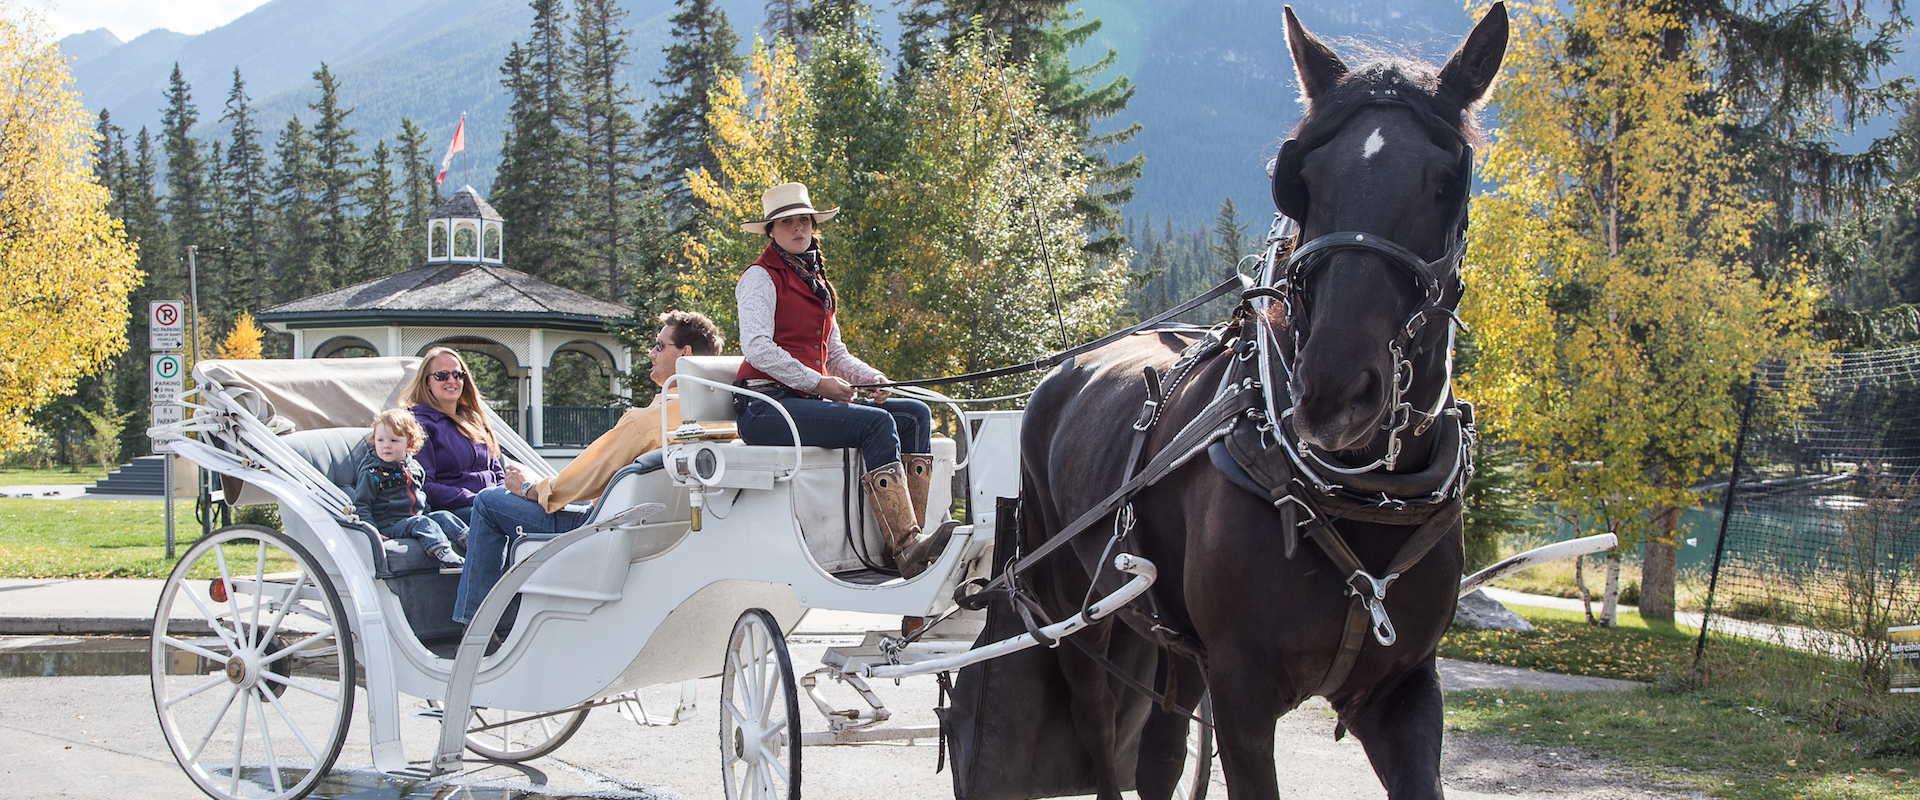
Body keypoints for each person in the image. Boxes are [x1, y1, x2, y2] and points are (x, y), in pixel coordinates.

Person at [451, 311, 725, 627]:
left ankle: (474, 626)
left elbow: (581, 481)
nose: (651, 353)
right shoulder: (719, 418)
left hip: (602, 534)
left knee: (487, 502)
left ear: (684, 353)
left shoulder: (647, 422)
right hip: (666, 534)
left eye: (660, 346)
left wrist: (530, 488)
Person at [733, 182, 950, 578]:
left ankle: (915, 544)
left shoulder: (816, 283)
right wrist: (821, 385)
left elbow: (835, 355)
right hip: (765, 408)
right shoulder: (760, 278)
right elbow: (759, 349)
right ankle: (906, 545)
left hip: (805, 403)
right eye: (787, 222)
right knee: (877, 422)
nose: (799, 228)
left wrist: (871, 378)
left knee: (915, 414)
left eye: (805, 221)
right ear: (771, 230)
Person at [351, 408, 468, 567]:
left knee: (443, 516)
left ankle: (468, 540)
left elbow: (421, 496)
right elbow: (362, 505)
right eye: (380, 440)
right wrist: (372, 532)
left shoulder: (414, 468)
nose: (386, 446)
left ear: (409, 444)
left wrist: (427, 513)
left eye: (393, 441)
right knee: (422, 523)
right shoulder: (372, 473)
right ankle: (443, 552)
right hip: (389, 525)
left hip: (414, 518)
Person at [404, 346, 505, 524]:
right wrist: (478, 499)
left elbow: (497, 472)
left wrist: (504, 498)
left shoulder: (474, 419)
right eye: (442, 375)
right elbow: (423, 486)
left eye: (457, 375)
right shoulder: (418, 425)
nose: (451, 380)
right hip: (456, 511)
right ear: (427, 382)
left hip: (492, 505)